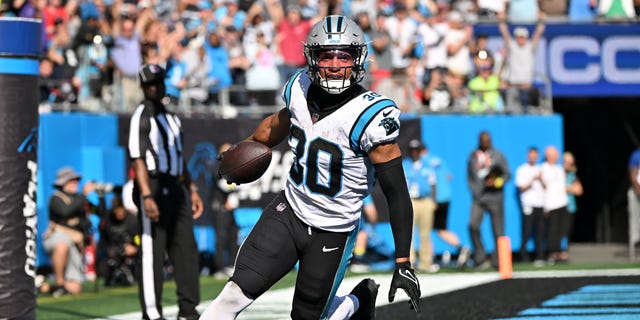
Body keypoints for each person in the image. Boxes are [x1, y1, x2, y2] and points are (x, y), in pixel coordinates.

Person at [200, 15, 421, 320]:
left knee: (306, 317)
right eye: (325, 55)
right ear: (311, 58)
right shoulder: (299, 87)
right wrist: (243, 148)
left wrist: (402, 262)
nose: (334, 64)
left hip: (333, 230)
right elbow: (276, 125)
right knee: (233, 295)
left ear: (358, 59)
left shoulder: (371, 115)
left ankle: (355, 302)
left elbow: (396, 192)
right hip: (288, 213)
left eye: (344, 55)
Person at [128, 64, 204, 320]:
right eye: (152, 84)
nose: (157, 87)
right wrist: (147, 195)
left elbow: (181, 159)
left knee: (186, 249)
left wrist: (191, 189)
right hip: (153, 184)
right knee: (153, 251)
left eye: (160, 82)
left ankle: (188, 310)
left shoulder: (172, 118)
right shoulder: (141, 115)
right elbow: (137, 158)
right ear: (143, 87)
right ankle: (152, 313)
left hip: (175, 184)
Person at [42, 167, 95, 296]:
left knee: (75, 289)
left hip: (75, 242)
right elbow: (65, 211)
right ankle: (59, 283)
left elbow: (97, 213)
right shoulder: (56, 198)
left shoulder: (80, 199)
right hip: (56, 238)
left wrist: (101, 196)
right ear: (62, 183)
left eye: (76, 180)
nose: (75, 183)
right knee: (62, 244)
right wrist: (84, 195)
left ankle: (45, 287)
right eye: (71, 181)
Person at [466, 131, 511, 269]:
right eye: (483, 140)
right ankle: (480, 257)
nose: (486, 142)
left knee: (498, 231)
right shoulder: (473, 156)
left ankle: (497, 260)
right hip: (479, 198)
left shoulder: (498, 155)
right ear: (479, 141)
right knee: (473, 225)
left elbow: (507, 174)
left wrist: (497, 182)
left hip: (495, 197)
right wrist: (474, 191)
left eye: (488, 140)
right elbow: (469, 176)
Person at [424, 146, 470, 269]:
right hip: (445, 198)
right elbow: (449, 176)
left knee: (426, 230)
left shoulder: (423, 161)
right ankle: (461, 247)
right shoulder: (439, 160)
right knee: (441, 229)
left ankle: (429, 258)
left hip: (433, 199)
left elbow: (426, 180)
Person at [498, 10, 546, 113]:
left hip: (526, 86)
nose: (521, 39)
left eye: (523, 37)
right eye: (519, 37)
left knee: (527, 110)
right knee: (512, 110)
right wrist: (501, 21)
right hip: (513, 85)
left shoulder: (529, 48)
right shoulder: (512, 47)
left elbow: (537, 35)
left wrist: (541, 22)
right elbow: (505, 34)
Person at [403, 139, 438, 273]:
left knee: (425, 233)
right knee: (409, 234)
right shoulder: (405, 165)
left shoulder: (427, 166)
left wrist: (433, 202)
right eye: (412, 150)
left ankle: (425, 263)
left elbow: (433, 184)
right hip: (411, 200)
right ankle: (409, 263)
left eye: (416, 150)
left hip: (424, 200)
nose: (414, 153)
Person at [99, 196, 139, 287]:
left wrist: (135, 248)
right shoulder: (107, 220)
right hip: (115, 251)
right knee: (105, 267)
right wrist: (109, 250)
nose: (120, 213)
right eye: (117, 210)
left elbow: (138, 238)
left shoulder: (132, 220)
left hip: (131, 250)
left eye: (121, 210)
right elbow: (103, 240)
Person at [515, 147, 545, 266]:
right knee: (526, 232)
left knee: (540, 232)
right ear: (528, 156)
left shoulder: (541, 169)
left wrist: (540, 178)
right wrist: (533, 179)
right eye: (531, 155)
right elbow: (521, 187)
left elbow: (546, 187)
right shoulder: (522, 170)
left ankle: (540, 256)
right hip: (528, 205)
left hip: (540, 204)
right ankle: (524, 257)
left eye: (535, 155)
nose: (533, 157)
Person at [539, 145, 569, 264]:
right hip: (551, 204)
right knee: (552, 229)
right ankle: (552, 253)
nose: (556, 157)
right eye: (554, 155)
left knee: (563, 229)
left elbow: (562, 185)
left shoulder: (559, 168)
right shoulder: (543, 168)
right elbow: (543, 188)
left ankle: (559, 251)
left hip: (563, 202)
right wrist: (545, 206)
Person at [561, 151, 583, 261]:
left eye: (570, 162)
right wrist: (570, 188)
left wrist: (567, 188)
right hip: (558, 206)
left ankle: (564, 252)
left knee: (567, 230)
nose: (567, 164)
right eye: (565, 162)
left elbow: (579, 190)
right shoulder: (557, 173)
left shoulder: (572, 176)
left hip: (570, 206)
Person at [628, 146, 640, 260]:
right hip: (637, 194)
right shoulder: (636, 155)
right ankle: (633, 251)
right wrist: (638, 191)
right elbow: (633, 175)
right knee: (635, 220)